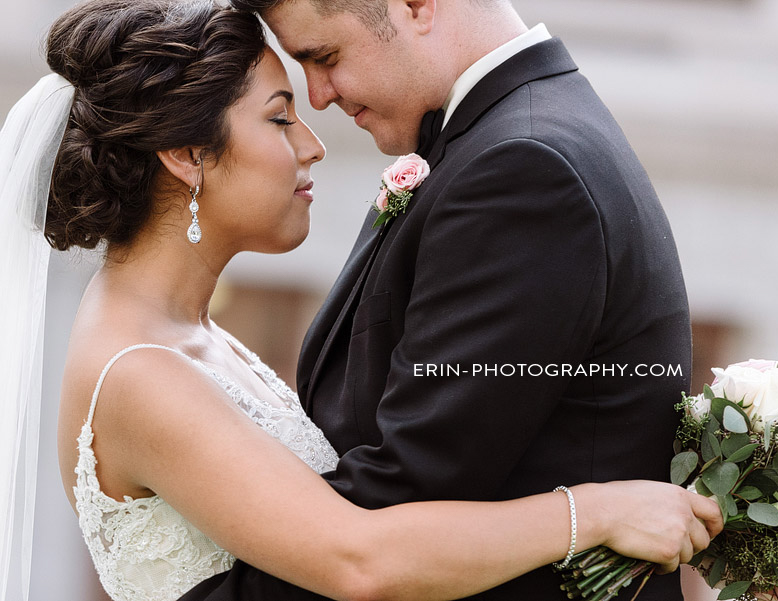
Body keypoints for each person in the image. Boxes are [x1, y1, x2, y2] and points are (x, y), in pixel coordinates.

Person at [0, 2, 721, 601]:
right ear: (187, 154)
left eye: (319, 63)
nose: (313, 134)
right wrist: (590, 511)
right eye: (280, 116)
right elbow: (358, 556)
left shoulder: (195, 337)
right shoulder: (138, 369)